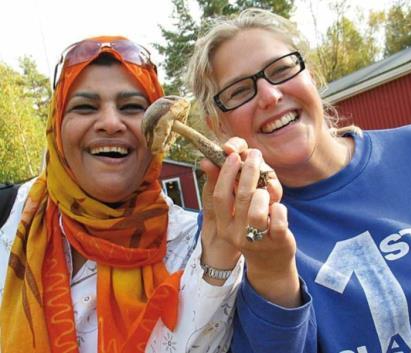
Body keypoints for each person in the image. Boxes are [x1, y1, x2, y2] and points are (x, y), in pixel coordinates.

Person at [186, 8, 411, 353]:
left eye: (281, 70)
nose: (270, 95)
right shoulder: (224, 232)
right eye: (239, 92)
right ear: (217, 125)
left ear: (310, 75)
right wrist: (269, 273)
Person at [0, 35, 250, 353]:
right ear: (56, 127)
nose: (109, 123)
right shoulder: (8, 216)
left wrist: (220, 260)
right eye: (85, 107)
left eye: (132, 107)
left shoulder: (199, 245)